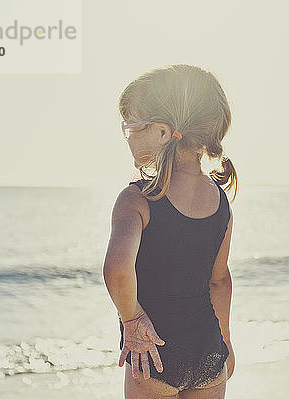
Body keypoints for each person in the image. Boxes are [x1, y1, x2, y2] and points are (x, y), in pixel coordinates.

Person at [103, 64, 238, 399]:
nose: (128, 136)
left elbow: (118, 270)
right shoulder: (220, 201)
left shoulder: (138, 199)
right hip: (209, 350)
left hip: (154, 355)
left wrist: (133, 320)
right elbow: (219, 279)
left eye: (131, 127)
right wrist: (226, 341)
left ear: (163, 132)